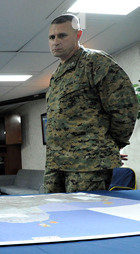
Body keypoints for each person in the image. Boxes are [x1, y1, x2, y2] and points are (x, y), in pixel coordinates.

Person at [44, 14, 139, 193]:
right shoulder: (57, 75)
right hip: (56, 164)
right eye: (52, 37)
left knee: (82, 218)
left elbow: (125, 107)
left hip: (88, 166)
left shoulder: (96, 63)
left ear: (78, 35)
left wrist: (109, 145)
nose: (55, 41)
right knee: (54, 216)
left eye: (62, 35)